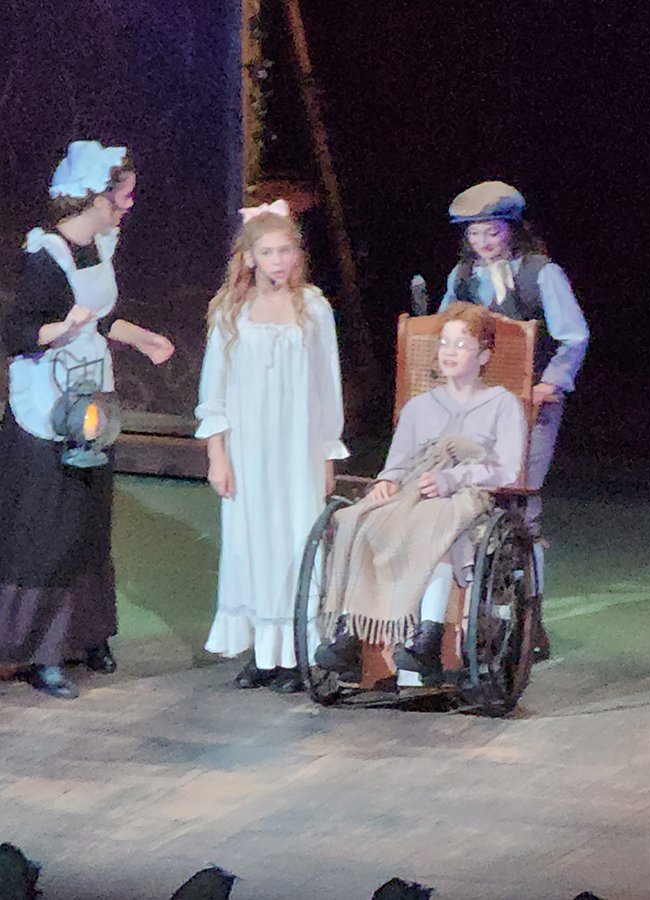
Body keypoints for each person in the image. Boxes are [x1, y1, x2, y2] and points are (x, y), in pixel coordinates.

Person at [0, 140, 175, 699]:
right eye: (122, 196)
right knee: (49, 528)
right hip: (46, 407)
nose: (128, 204)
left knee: (89, 521)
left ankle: (87, 636)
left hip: (92, 400)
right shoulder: (43, 256)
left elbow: (103, 316)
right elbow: (17, 332)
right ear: (96, 197)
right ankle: (39, 652)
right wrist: (63, 330)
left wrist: (140, 338)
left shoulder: (99, 245)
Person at [316, 303, 526, 684]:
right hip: (412, 493)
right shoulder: (419, 407)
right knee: (359, 519)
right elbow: (396, 465)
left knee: (433, 523)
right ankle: (350, 631)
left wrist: (453, 479)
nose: (449, 351)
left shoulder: (502, 404)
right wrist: (386, 482)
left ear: (483, 356)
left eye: (461, 344)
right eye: (444, 343)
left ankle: (428, 636)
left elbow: (508, 470)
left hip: (469, 496)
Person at [196, 199, 348, 694]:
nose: (278, 261)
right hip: (248, 447)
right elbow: (214, 388)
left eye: (285, 251)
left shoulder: (313, 309)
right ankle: (264, 652)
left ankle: (296, 654)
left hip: (296, 447)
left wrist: (327, 453)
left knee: (295, 540)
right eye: (267, 252)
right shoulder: (231, 311)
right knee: (251, 542)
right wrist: (218, 454)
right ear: (249, 257)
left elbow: (327, 386)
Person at [439, 181, 589, 658]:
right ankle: (477, 615)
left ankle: (529, 620)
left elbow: (573, 336)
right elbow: (443, 333)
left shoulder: (540, 273)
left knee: (521, 504)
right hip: (478, 406)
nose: (483, 242)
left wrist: (550, 383)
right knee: (475, 501)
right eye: (474, 234)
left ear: (511, 229)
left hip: (531, 405)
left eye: (492, 231)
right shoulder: (463, 277)